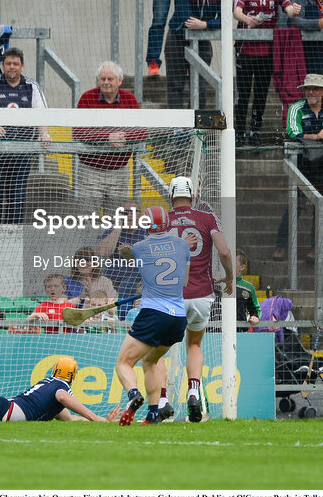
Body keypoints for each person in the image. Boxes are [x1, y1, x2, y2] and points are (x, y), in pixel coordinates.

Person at [166, 176, 234, 422]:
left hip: (170, 296)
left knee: (157, 350)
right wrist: (229, 277)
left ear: (170, 195)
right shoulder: (207, 217)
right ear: (193, 194)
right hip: (201, 294)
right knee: (194, 345)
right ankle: (193, 390)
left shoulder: (163, 219)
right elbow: (225, 251)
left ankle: (162, 402)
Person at [115, 206, 191, 426]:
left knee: (123, 363)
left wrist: (126, 252)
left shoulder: (140, 247)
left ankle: (133, 395)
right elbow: (184, 282)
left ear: (146, 224)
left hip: (153, 313)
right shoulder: (183, 245)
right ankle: (152, 415)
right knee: (151, 360)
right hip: (178, 317)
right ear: (168, 223)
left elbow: (130, 256)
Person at [273, 73, 323, 262]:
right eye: (308, 88)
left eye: (315, 88)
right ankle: (281, 246)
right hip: (302, 164)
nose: (311, 92)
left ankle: (315, 249)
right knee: (295, 205)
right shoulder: (295, 108)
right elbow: (292, 132)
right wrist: (317, 136)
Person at [0, 48, 51, 224]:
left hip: (22, 153)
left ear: (22, 66)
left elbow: (42, 115)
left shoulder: (32, 87)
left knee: (17, 201)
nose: (12, 67)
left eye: (16, 64)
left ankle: (14, 241)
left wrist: (44, 134)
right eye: (8, 63)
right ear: (3, 65)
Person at [233, 0, 300, 146]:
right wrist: (247, 19)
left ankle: (255, 132)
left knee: (261, 94)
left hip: (267, 54)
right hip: (245, 51)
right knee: (243, 94)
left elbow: (288, 8)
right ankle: (238, 133)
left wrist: (293, 10)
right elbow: (236, 11)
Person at [72, 62, 146, 214]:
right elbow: (78, 132)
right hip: (90, 173)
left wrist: (124, 137)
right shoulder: (87, 98)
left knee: (115, 223)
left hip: (119, 173)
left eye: (110, 79)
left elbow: (142, 132)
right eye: (102, 79)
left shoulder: (130, 100)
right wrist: (107, 137)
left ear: (119, 80)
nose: (105, 82)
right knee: (87, 221)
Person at [164, 0, 220, 109]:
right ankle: (177, 127)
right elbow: (187, 20)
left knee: (200, 84)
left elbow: (224, 21)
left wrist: (204, 24)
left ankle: (196, 125)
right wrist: (209, 25)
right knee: (176, 83)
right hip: (177, 38)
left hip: (203, 40)